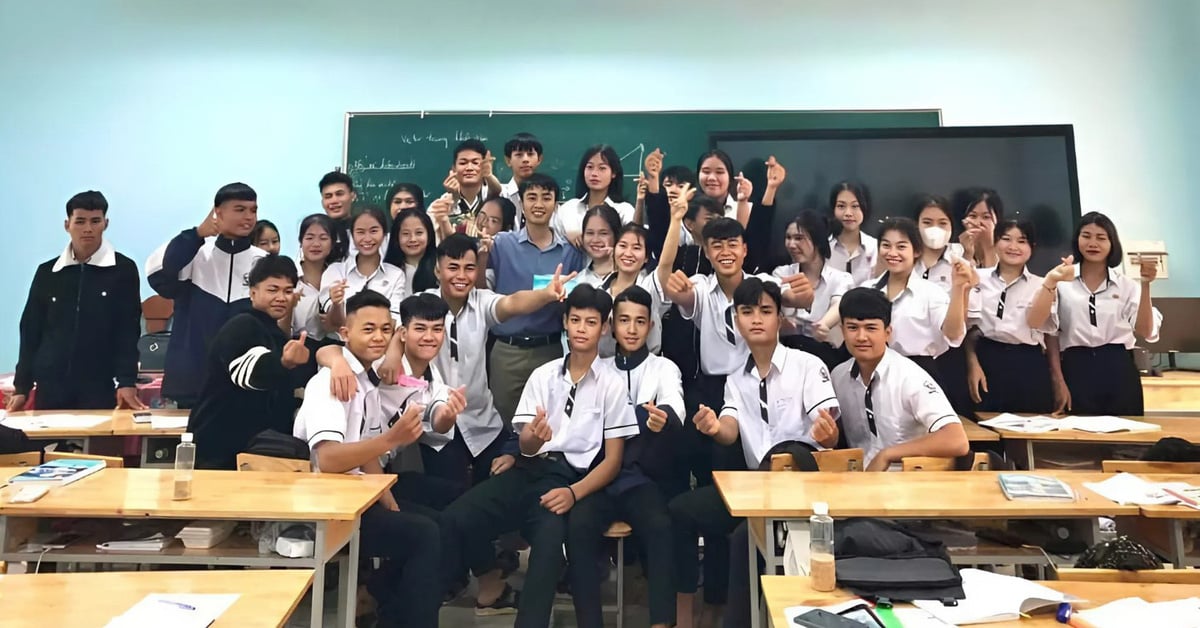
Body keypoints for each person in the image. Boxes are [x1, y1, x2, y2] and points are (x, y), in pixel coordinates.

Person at [439, 285, 638, 626]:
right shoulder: (542, 376)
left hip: (569, 480)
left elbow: (612, 460)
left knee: (546, 555)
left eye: (590, 322)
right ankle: (490, 575)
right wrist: (530, 439)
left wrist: (574, 493)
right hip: (529, 468)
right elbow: (527, 443)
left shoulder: (613, 385)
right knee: (455, 518)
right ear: (564, 321)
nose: (581, 329)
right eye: (575, 320)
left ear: (604, 328)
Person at [661, 218, 814, 620]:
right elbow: (670, 288)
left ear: (745, 248)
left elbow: (800, 300)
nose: (725, 252)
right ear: (707, 252)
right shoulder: (700, 289)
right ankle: (707, 602)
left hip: (765, 384)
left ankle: (731, 599)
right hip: (719, 394)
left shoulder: (765, 287)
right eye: (716, 245)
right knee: (713, 494)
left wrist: (806, 294)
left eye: (733, 243)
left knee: (736, 505)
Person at [669, 278, 839, 628]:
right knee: (679, 512)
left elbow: (829, 433)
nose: (756, 319)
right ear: (736, 320)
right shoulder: (736, 380)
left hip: (800, 487)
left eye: (766, 311)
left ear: (780, 319)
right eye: (747, 312)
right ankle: (686, 614)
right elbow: (730, 430)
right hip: (755, 489)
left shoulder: (807, 365)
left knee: (745, 540)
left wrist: (829, 434)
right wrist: (715, 428)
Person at [292, 289, 441, 628]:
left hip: (358, 497)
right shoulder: (331, 380)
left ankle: (387, 611)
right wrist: (392, 438)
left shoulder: (368, 383)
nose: (378, 337)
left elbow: (368, 452)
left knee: (438, 525)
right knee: (425, 536)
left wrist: (390, 503)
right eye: (369, 329)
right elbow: (328, 459)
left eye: (385, 329)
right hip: (326, 506)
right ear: (345, 333)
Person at [571, 286, 685, 628]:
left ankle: (662, 623)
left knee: (661, 527)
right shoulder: (598, 368)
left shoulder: (663, 368)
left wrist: (659, 417)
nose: (632, 329)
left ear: (650, 326)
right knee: (578, 526)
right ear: (612, 326)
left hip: (639, 479)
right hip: (597, 478)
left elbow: (673, 406)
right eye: (624, 321)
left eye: (639, 321)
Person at [10, 191, 144, 412]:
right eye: (80, 221)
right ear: (67, 224)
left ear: (105, 223)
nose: (88, 228)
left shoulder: (123, 270)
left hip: (98, 384)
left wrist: (127, 381)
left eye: (95, 221)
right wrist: (21, 387)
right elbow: (30, 331)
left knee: (97, 446)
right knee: (47, 446)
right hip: (50, 385)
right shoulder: (48, 272)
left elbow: (128, 331)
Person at [145, 182, 268, 407]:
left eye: (253, 210)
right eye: (240, 209)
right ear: (218, 213)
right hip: (193, 381)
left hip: (245, 383)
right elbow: (159, 274)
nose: (249, 217)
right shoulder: (195, 253)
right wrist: (197, 234)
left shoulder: (263, 261)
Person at [479, 173, 587, 425]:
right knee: (504, 423)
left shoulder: (571, 252)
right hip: (507, 351)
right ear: (522, 204)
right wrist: (482, 256)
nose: (539, 204)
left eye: (546, 198)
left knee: (547, 422)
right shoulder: (502, 244)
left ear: (556, 206)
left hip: (549, 350)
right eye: (532, 198)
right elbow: (481, 291)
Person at [1027, 212, 1159, 416]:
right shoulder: (1061, 280)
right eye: (1086, 235)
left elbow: (1144, 329)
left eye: (1101, 237)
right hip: (1076, 365)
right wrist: (1058, 379)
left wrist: (1146, 285)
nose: (1093, 243)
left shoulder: (1126, 285)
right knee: (1081, 438)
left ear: (1112, 243)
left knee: (1127, 438)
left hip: (1117, 365)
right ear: (1077, 239)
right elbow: (1050, 332)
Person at [187, 254, 309, 469]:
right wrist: (284, 362)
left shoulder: (276, 334)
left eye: (288, 291)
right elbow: (248, 374)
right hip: (219, 453)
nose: (281, 297)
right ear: (253, 292)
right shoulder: (243, 325)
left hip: (253, 451)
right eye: (273, 289)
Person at [831, 287, 970, 471]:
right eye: (852, 328)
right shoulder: (838, 376)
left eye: (871, 328)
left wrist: (887, 454)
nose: (861, 337)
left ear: (888, 332)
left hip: (906, 481)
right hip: (857, 479)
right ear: (842, 331)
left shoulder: (909, 376)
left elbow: (957, 440)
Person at [965, 220, 1060, 413]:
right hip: (987, 358)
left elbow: (1045, 330)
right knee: (986, 427)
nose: (1013, 247)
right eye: (1006, 239)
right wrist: (972, 363)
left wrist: (1057, 378)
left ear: (1031, 248)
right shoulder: (977, 278)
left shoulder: (1044, 284)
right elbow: (966, 329)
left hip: (1028, 363)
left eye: (1022, 241)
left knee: (1031, 428)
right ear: (995, 242)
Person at [864, 217, 971, 384]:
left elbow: (953, 335)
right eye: (886, 245)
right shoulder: (866, 290)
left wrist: (958, 288)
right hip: (872, 369)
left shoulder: (931, 293)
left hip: (918, 373)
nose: (892, 253)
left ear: (916, 251)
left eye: (901, 247)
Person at [912, 195, 974, 415]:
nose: (934, 229)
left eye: (942, 223)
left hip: (949, 356)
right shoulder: (903, 259)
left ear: (951, 227)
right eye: (927, 222)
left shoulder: (961, 263)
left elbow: (964, 320)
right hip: (909, 356)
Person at [772, 210, 854, 369]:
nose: (791, 244)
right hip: (787, 355)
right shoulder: (781, 273)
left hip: (825, 357)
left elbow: (839, 304)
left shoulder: (840, 278)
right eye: (788, 238)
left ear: (818, 241)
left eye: (799, 238)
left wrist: (824, 325)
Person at [319, 207, 406, 337]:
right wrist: (337, 304)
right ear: (352, 235)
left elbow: (393, 321)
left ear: (384, 234)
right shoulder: (335, 271)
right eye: (360, 232)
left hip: (380, 347)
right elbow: (333, 324)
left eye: (374, 231)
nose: (367, 238)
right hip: (341, 347)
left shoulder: (395, 274)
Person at [553, 145, 635, 246]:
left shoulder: (624, 210)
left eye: (602, 168)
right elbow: (553, 244)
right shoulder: (568, 209)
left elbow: (633, 244)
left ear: (613, 173)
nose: (594, 173)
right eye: (590, 167)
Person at [826, 181, 879, 285]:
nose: (848, 213)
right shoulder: (823, 248)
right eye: (841, 206)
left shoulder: (875, 247)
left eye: (855, 206)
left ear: (864, 208)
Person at [442, 139, 497, 232]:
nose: (469, 168)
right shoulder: (442, 204)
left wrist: (489, 176)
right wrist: (453, 198)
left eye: (475, 163)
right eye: (463, 163)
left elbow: (496, 191)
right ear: (454, 169)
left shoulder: (496, 197)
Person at [384, 208, 438, 294]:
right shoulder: (386, 271)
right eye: (406, 234)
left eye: (419, 233)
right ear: (396, 237)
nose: (413, 239)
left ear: (429, 235)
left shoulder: (440, 268)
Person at [498, 132, 544, 223]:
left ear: (539, 159)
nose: (525, 160)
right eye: (519, 155)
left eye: (530, 154)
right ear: (508, 160)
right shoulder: (500, 193)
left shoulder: (546, 196)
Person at [955, 187, 1003, 268]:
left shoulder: (1007, 250)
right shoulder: (952, 251)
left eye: (986, 217)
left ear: (997, 220)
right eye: (973, 216)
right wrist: (967, 254)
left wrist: (988, 247)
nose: (978, 223)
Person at [575, 205, 621, 287]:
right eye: (590, 233)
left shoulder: (631, 275)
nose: (595, 240)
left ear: (616, 236)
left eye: (603, 233)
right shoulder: (578, 280)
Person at [319, 170, 357, 258]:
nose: (334, 201)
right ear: (322, 202)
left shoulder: (363, 231)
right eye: (328, 196)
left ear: (353, 196)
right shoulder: (316, 232)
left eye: (339, 194)